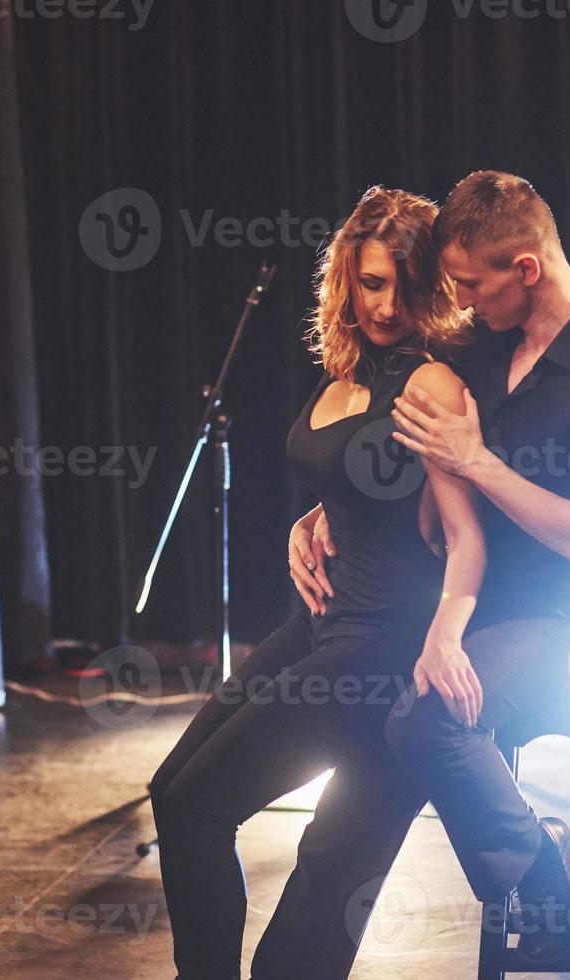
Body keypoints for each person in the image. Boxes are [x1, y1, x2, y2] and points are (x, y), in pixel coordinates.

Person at [298, 170, 570, 961]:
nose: (461, 304)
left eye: (472, 285)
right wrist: (324, 512)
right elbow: (393, 456)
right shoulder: (480, 342)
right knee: (362, 702)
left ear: (525, 271)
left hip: (561, 618)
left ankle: (538, 876)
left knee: (428, 719)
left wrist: (478, 462)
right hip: (461, 596)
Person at [148, 185, 489, 980]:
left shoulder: (427, 384)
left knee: (209, 811)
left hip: (382, 643)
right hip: (322, 623)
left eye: (402, 285)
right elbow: (358, 482)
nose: (385, 304)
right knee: (172, 796)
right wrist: (312, 518)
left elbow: (467, 534)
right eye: (371, 283)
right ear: (346, 280)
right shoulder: (342, 373)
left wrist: (443, 639)